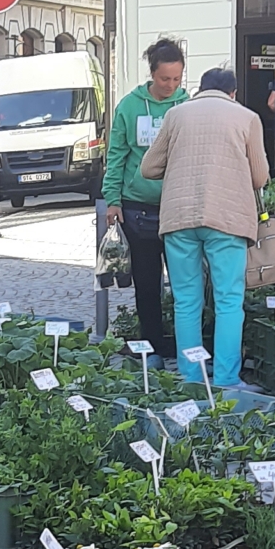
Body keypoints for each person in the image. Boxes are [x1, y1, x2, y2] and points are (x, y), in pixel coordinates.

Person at [141, 66, 270, 386]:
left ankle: (191, 376)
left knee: (186, 301)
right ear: (233, 93)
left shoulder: (176, 115)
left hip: (179, 217)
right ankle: (226, 378)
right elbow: (259, 177)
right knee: (228, 301)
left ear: (199, 88)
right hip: (227, 218)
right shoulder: (247, 117)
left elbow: (148, 168)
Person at [102, 38, 187, 353]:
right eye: (165, 79)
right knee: (147, 282)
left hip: (178, 205)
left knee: (184, 282)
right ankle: (151, 344)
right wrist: (113, 199)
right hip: (137, 207)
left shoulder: (186, 105)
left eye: (177, 78)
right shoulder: (129, 106)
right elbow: (116, 155)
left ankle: (184, 342)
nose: (171, 85)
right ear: (152, 74)